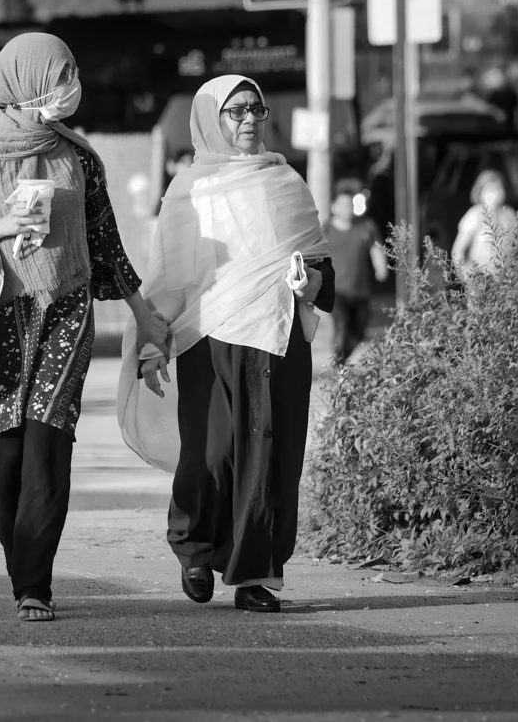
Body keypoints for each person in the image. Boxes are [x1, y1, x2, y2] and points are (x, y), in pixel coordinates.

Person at [0, 32, 168, 623]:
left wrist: (144, 314)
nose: (68, 88)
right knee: (6, 460)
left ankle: (36, 584)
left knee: (48, 450)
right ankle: (22, 564)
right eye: (59, 78)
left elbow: (105, 244)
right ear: (25, 86)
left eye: (70, 75)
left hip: (64, 309)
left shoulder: (78, 158)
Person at [115, 75, 334, 614]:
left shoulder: (288, 182)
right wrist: (152, 343)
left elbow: (322, 265)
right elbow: (166, 279)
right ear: (211, 118)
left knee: (270, 456)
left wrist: (313, 285)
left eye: (256, 110)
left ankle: (256, 574)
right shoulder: (191, 188)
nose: (249, 121)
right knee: (210, 454)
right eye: (235, 112)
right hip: (208, 341)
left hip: (278, 339)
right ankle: (195, 547)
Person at [324, 179, 389, 365]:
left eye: (349, 204)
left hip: (360, 290)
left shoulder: (366, 227)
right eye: (342, 205)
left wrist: (381, 267)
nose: (346, 208)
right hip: (336, 291)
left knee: (359, 331)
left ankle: (342, 360)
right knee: (342, 325)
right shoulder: (326, 229)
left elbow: (376, 249)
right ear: (334, 206)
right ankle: (337, 366)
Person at [451, 169, 518, 274]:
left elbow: (517, 245)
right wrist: (467, 277)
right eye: (490, 189)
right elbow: (457, 251)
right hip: (481, 277)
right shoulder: (474, 214)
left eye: (498, 189)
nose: (495, 194)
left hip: (506, 277)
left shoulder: (509, 213)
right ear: (480, 192)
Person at [480, 66, 518, 135]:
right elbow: (489, 108)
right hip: (496, 127)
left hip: (510, 126)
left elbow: (516, 105)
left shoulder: (511, 93)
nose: (503, 79)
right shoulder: (494, 94)